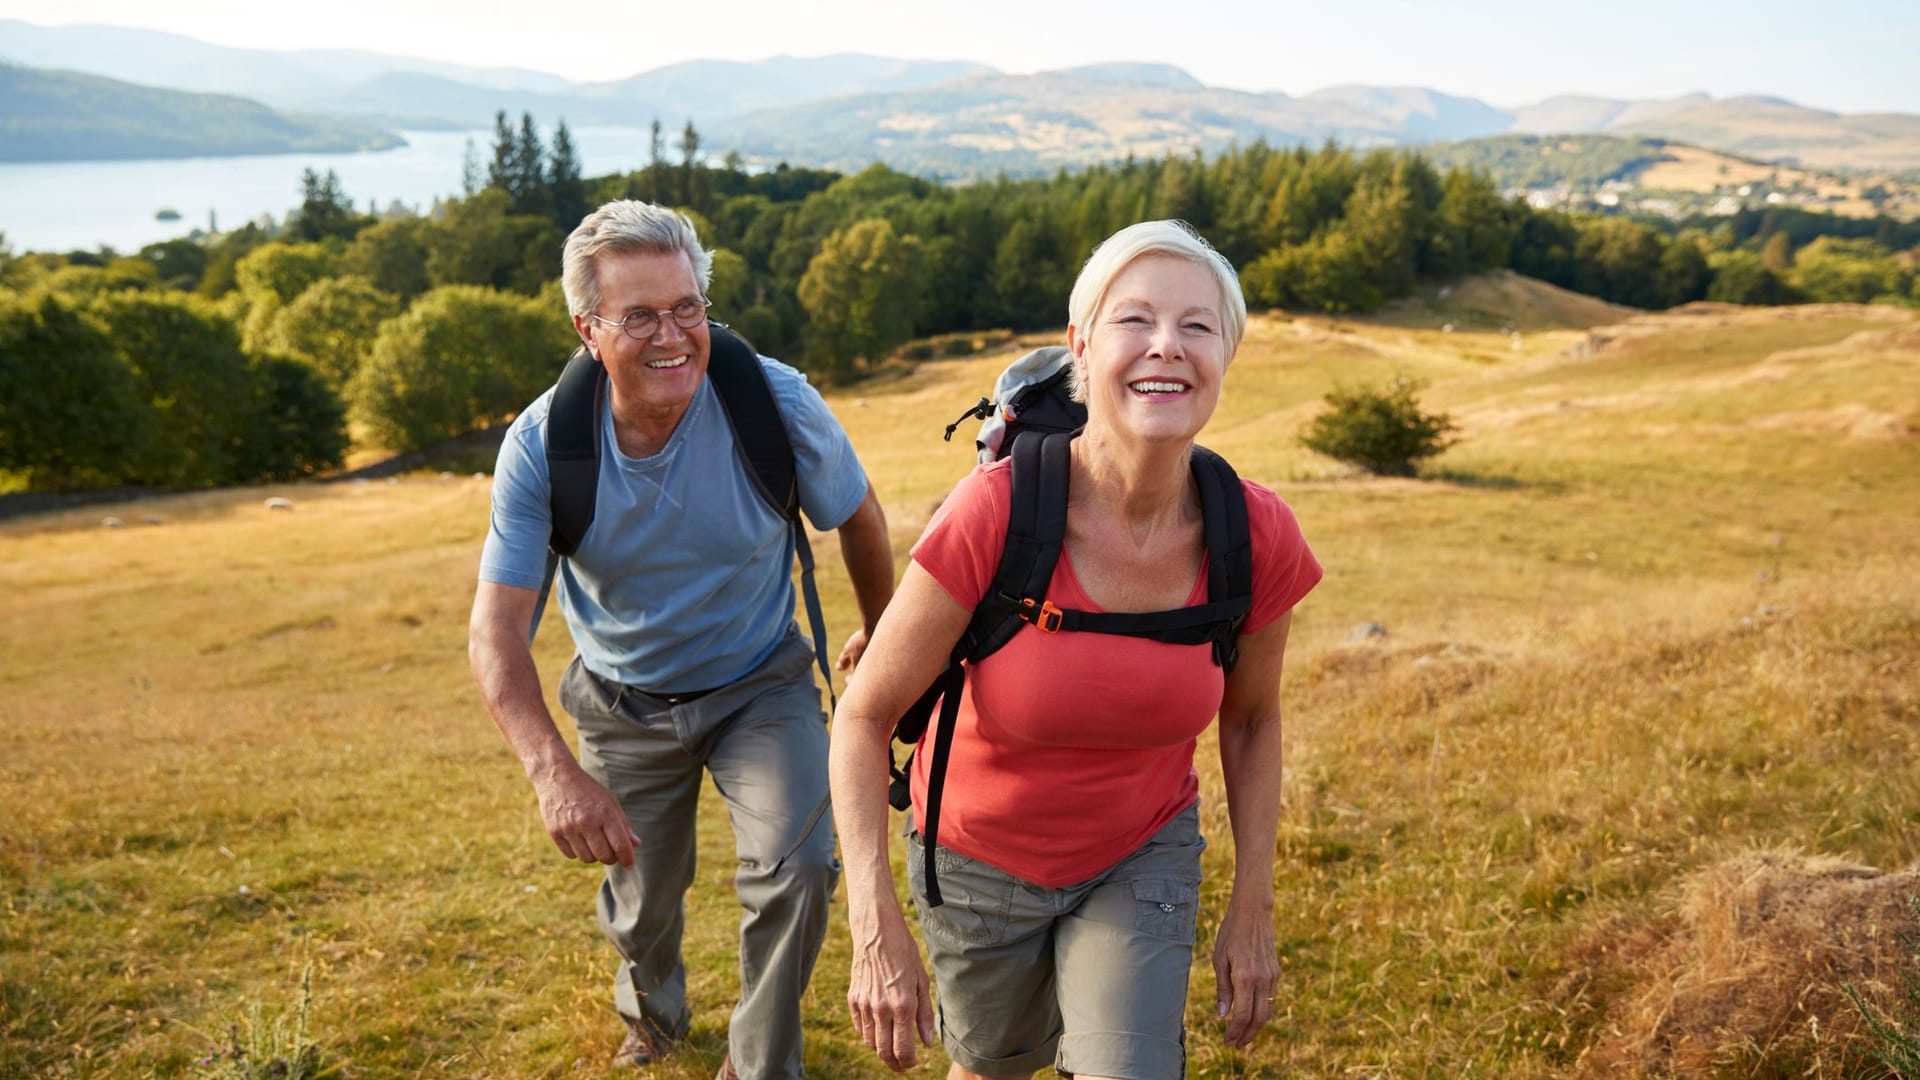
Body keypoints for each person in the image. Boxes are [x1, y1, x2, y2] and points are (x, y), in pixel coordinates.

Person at [827, 220, 1321, 1079]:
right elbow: (864, 714)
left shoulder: (1257, 532)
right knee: (993, 1069)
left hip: (1142, 849)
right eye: (1135, 320)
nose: (1167, 346)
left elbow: (1250, 722)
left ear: (1226, 357)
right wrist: (874, 928)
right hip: (977, 859)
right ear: (1082, 351)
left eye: (1198, 326)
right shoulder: (997, 510)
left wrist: (1254, 903)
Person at [468, 200, 895, 1080]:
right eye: (639, 316)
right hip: (623, 701)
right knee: (641, 904)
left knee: (802, 864)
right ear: (589, 328)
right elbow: (497, 628)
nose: (673, 336)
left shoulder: (771, 401)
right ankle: (653, 1007)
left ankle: (759, 1061)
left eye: (687, 307)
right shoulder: (545, 445)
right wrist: (554, 773)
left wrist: (884, 638)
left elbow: (859, 518)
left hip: (760, 683)